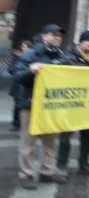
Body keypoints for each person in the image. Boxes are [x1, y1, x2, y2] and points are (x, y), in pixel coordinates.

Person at [12, 24, 69, 189]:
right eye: (54, 34)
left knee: (50, 142)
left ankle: (47, 172)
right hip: (30, 104)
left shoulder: (62, 56)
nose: (58, 37)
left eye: (60, 35)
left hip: (50, 106)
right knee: (28, 142)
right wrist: (30, 70)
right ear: (44, 36)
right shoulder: (30, 54)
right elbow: (17, 75)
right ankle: (27, 174)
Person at [57, 30, 89, 177]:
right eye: (88, 40)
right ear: (80, 42)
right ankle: (61, 166)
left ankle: (84, 164)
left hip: (88, 105)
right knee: (65, 137)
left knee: (87, 136)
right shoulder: (68, 57)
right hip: (72, 103)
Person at [7, 40, 32, 132]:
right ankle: (16, 124)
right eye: (24, 47)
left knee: (25, 107)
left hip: (27, 87)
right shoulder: (16, 57)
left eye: (28, 47)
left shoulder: (32, 57)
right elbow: (11, 69)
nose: (25, 49)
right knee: (17, 106)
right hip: (17, 85)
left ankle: (23, 126)